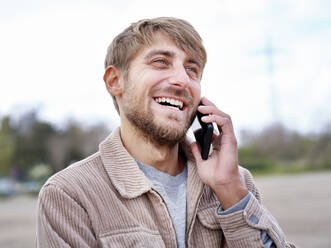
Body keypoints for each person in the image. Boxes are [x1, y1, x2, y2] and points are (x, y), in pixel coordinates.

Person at [37, 17, 296, 248]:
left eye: (192, 70)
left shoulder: (235, 181)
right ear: (115, 81)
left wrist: (230, 192)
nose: (182, 80)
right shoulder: (69, 194)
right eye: (161, 62)